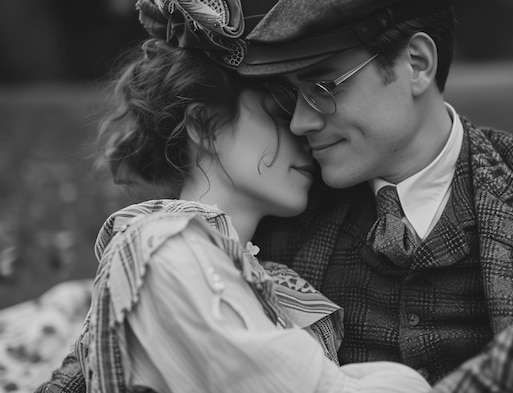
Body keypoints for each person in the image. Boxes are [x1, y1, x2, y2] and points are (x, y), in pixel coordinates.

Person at [35, 0, 432, 392]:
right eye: (279, 112)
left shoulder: (263, 277)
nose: (303, 129)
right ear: (205, 126)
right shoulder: (165, 251)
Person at [237, 0, 513, 385]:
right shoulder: (281, 220)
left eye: (322, 86)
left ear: (418, 64)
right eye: (290, 96)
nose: (301, 122)